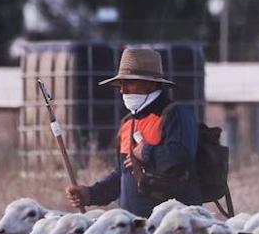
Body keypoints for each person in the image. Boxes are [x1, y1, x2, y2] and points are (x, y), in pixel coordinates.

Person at [65, 47, 201, 217]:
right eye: (121, 84)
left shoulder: (175, 113)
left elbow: (182, 157)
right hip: (133, 228)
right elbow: (122, 175)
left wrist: (146, 152)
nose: (123, 90)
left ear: (151, 83)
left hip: (174, 227)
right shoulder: (128, 122)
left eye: (129, 82)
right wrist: (91, 194)